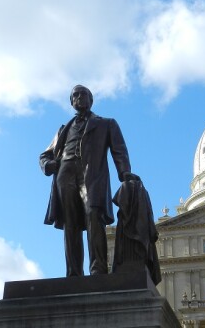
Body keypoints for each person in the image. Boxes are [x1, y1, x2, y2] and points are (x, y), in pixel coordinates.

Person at [39, 85, 138, 276]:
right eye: (74, 95)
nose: (78, 97)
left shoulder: (106, 124)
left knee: (94, 216)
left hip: (92, 175)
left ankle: (97, 270)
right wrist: (47, 164)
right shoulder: (62, 130)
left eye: (83, 94)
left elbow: (119, 150)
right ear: (71, 102)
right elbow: (45, 155)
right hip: (65, 174)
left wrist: (124, 173)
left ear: (91, 100)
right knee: (71, 223)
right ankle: (74, 273)